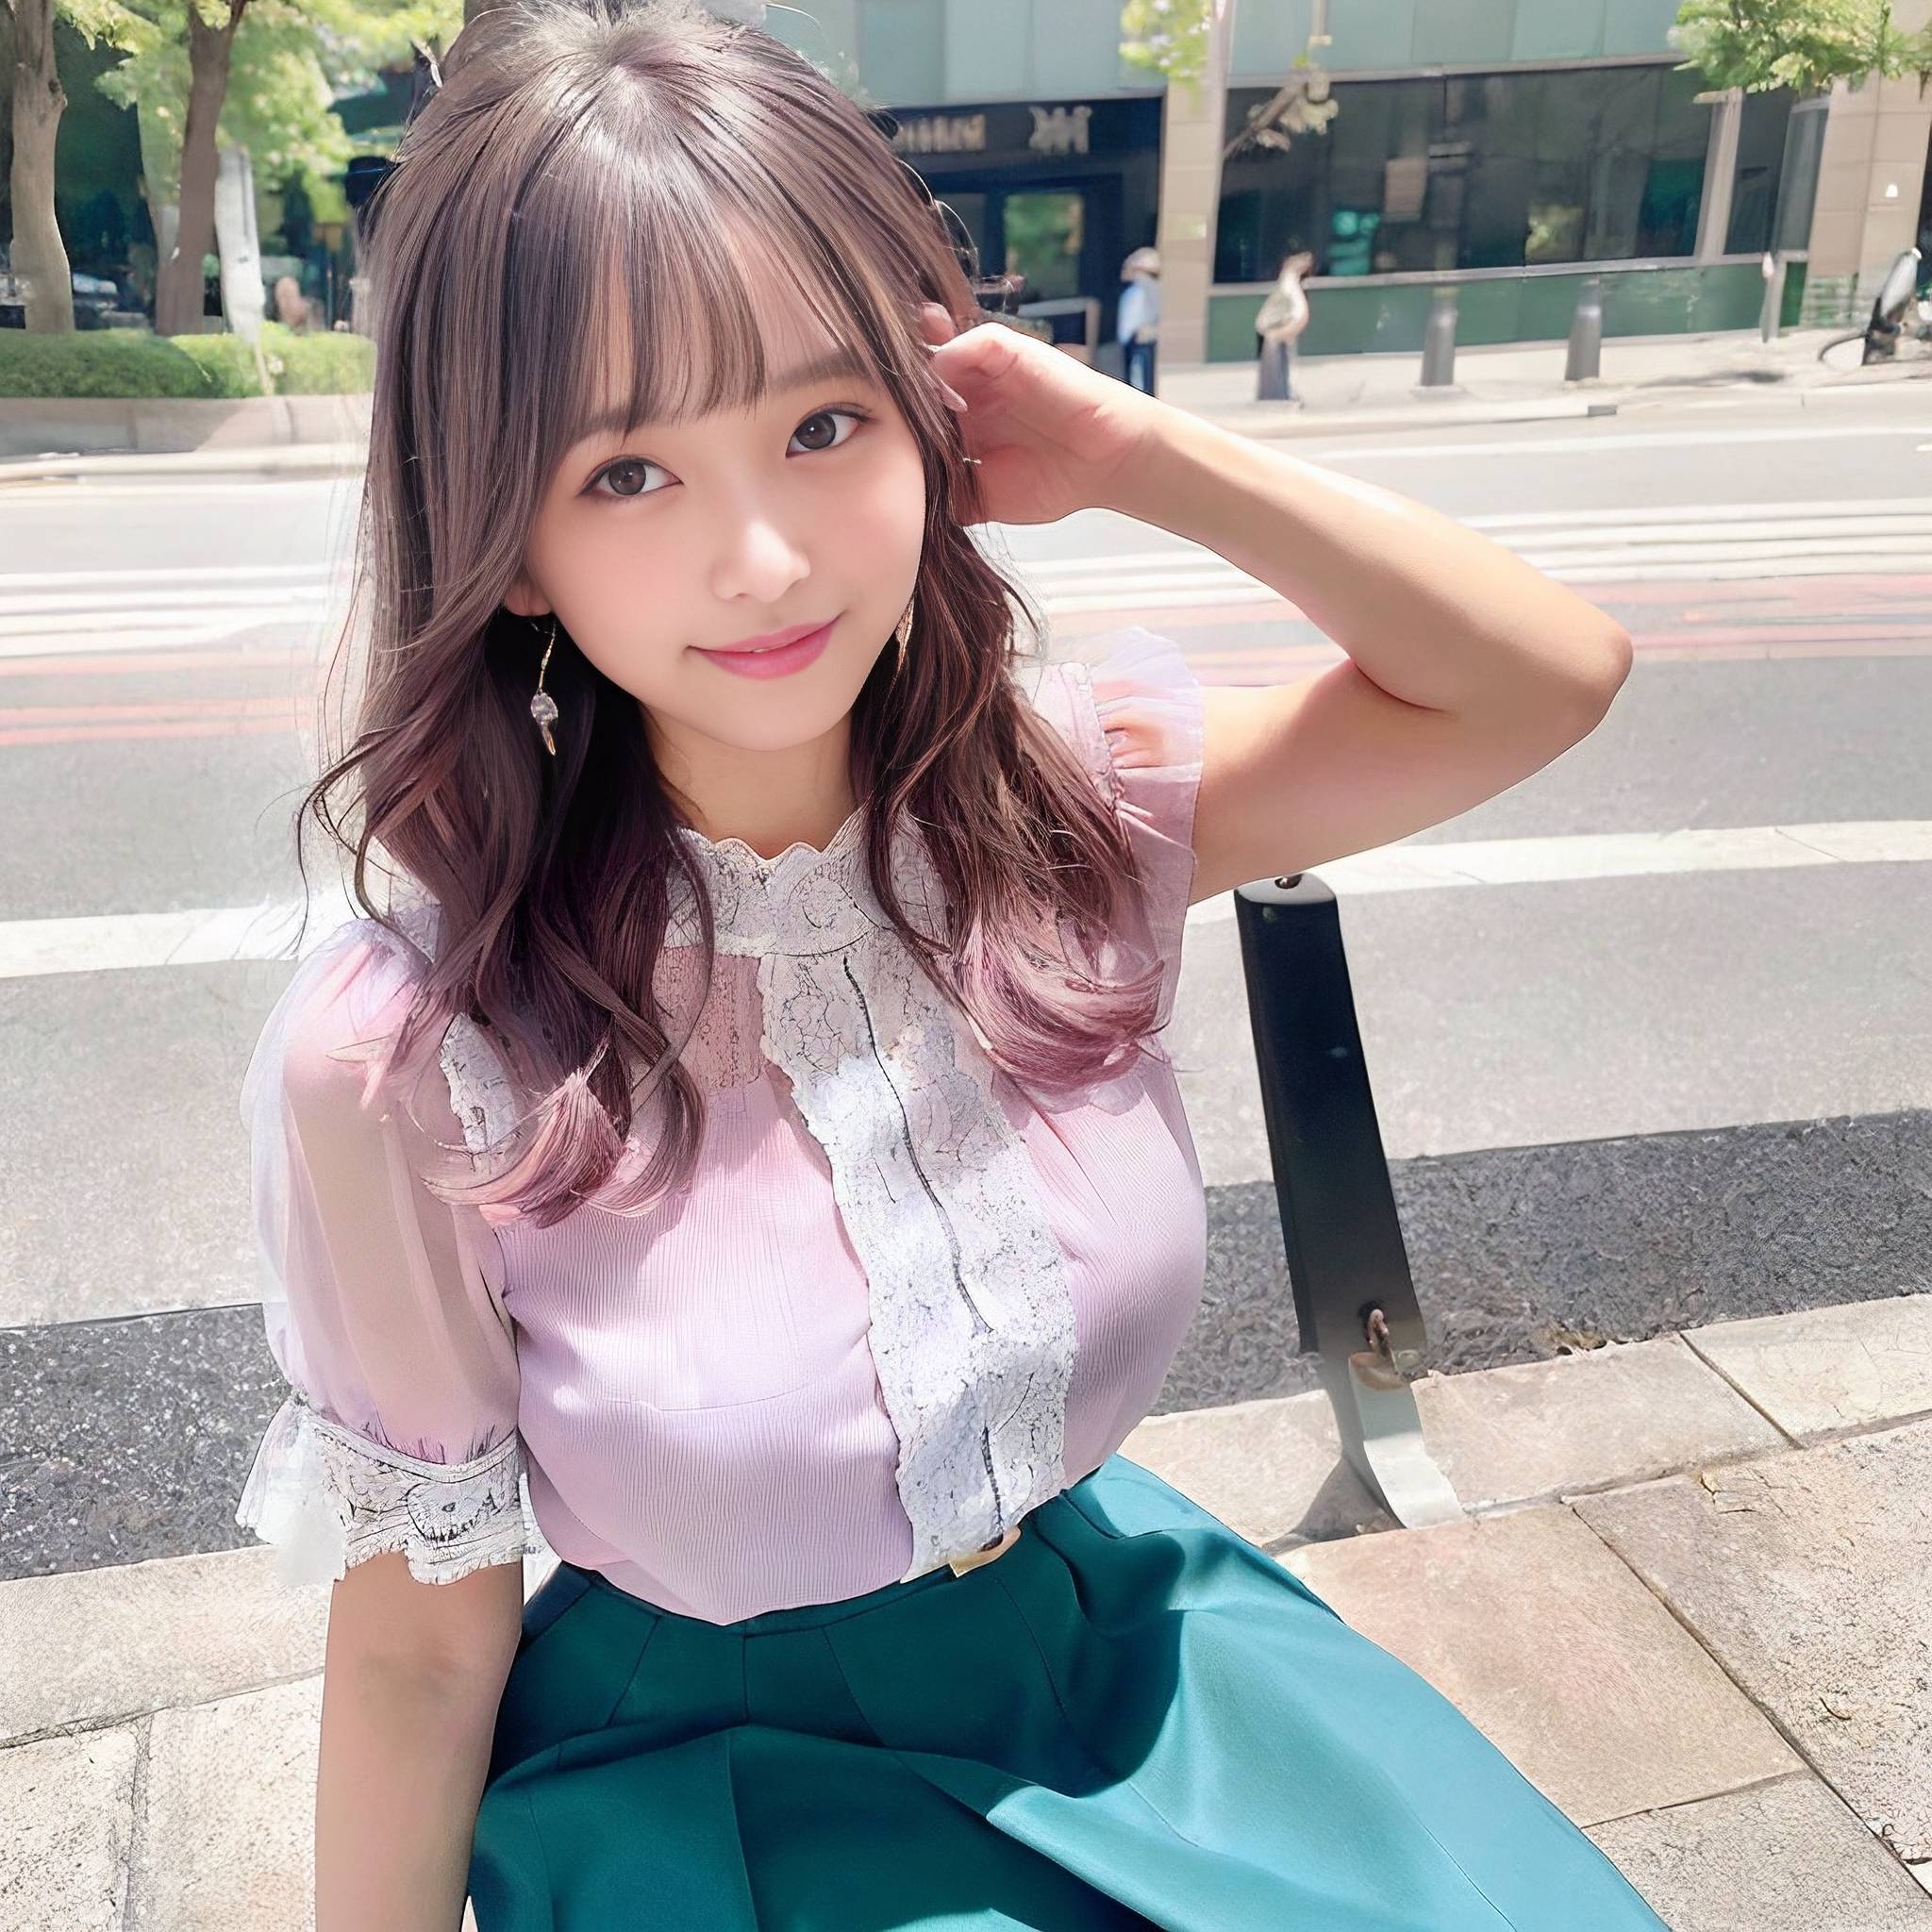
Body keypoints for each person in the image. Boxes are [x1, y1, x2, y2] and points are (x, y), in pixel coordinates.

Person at [230, 2, 1660, 1926]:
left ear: (935, 421)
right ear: (506, 544)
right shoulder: (425, 1055)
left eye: (824, 422)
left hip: (1119, 1648)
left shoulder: (1057, 817)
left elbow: (1539, 676)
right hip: (723, 1771)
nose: (760, 554)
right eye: (624, 475)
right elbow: (413, 1648)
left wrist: (1138, 450)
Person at [1256, 248, 1314, 402]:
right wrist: (1293, 318)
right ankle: (1276, 393)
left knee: (1280, 359)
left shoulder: (1290, 280)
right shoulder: (1288, 280)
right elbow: (1295, 305)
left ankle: (1279, 392)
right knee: (1276, 361)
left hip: (1279, 328)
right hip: (1277, 328)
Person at [1116, 244, 1160, 393]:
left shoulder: (1146, 289)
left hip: (1139, 339)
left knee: (1140, 380)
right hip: (1134, 339)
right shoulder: (1137, 290)